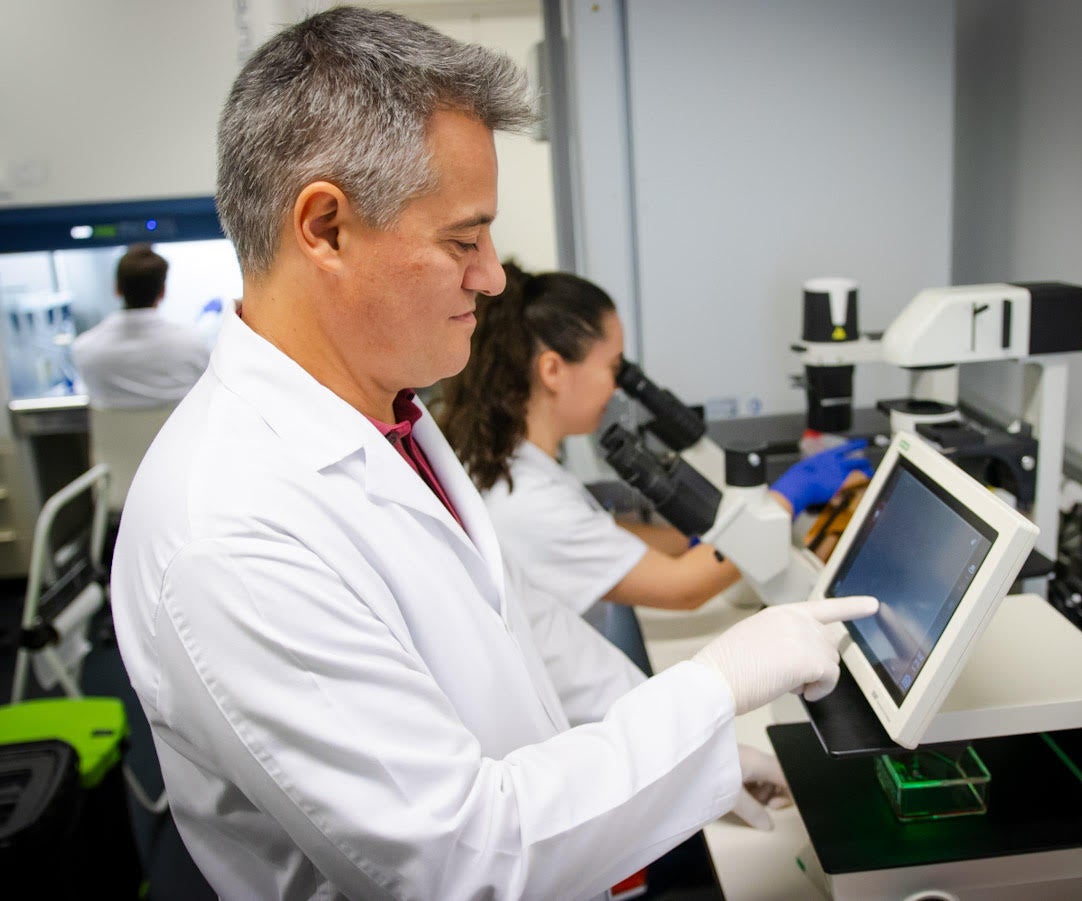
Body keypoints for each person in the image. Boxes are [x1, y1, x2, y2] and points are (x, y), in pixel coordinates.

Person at [109, 8, 877, 900]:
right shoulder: (229, 531)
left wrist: (688, 760)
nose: (494, 276)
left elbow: (510, 661)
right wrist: (709, 692)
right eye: (462, 240)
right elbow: (456, 860)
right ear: (324, 227)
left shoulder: (390, 416)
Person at [438, 262, 873, 629]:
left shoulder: (516, 465)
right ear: (553, 370)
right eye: (613, 368)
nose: (619, 387)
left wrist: (694, 538)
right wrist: (787, 495)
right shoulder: (530, 503)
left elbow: (602, 534)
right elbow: (684, 588)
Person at [71, 243, 210, 409]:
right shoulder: (193, 345)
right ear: (162, 291)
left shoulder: (84, 349)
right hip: (180, 435)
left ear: (117, 289)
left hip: (115, 436)